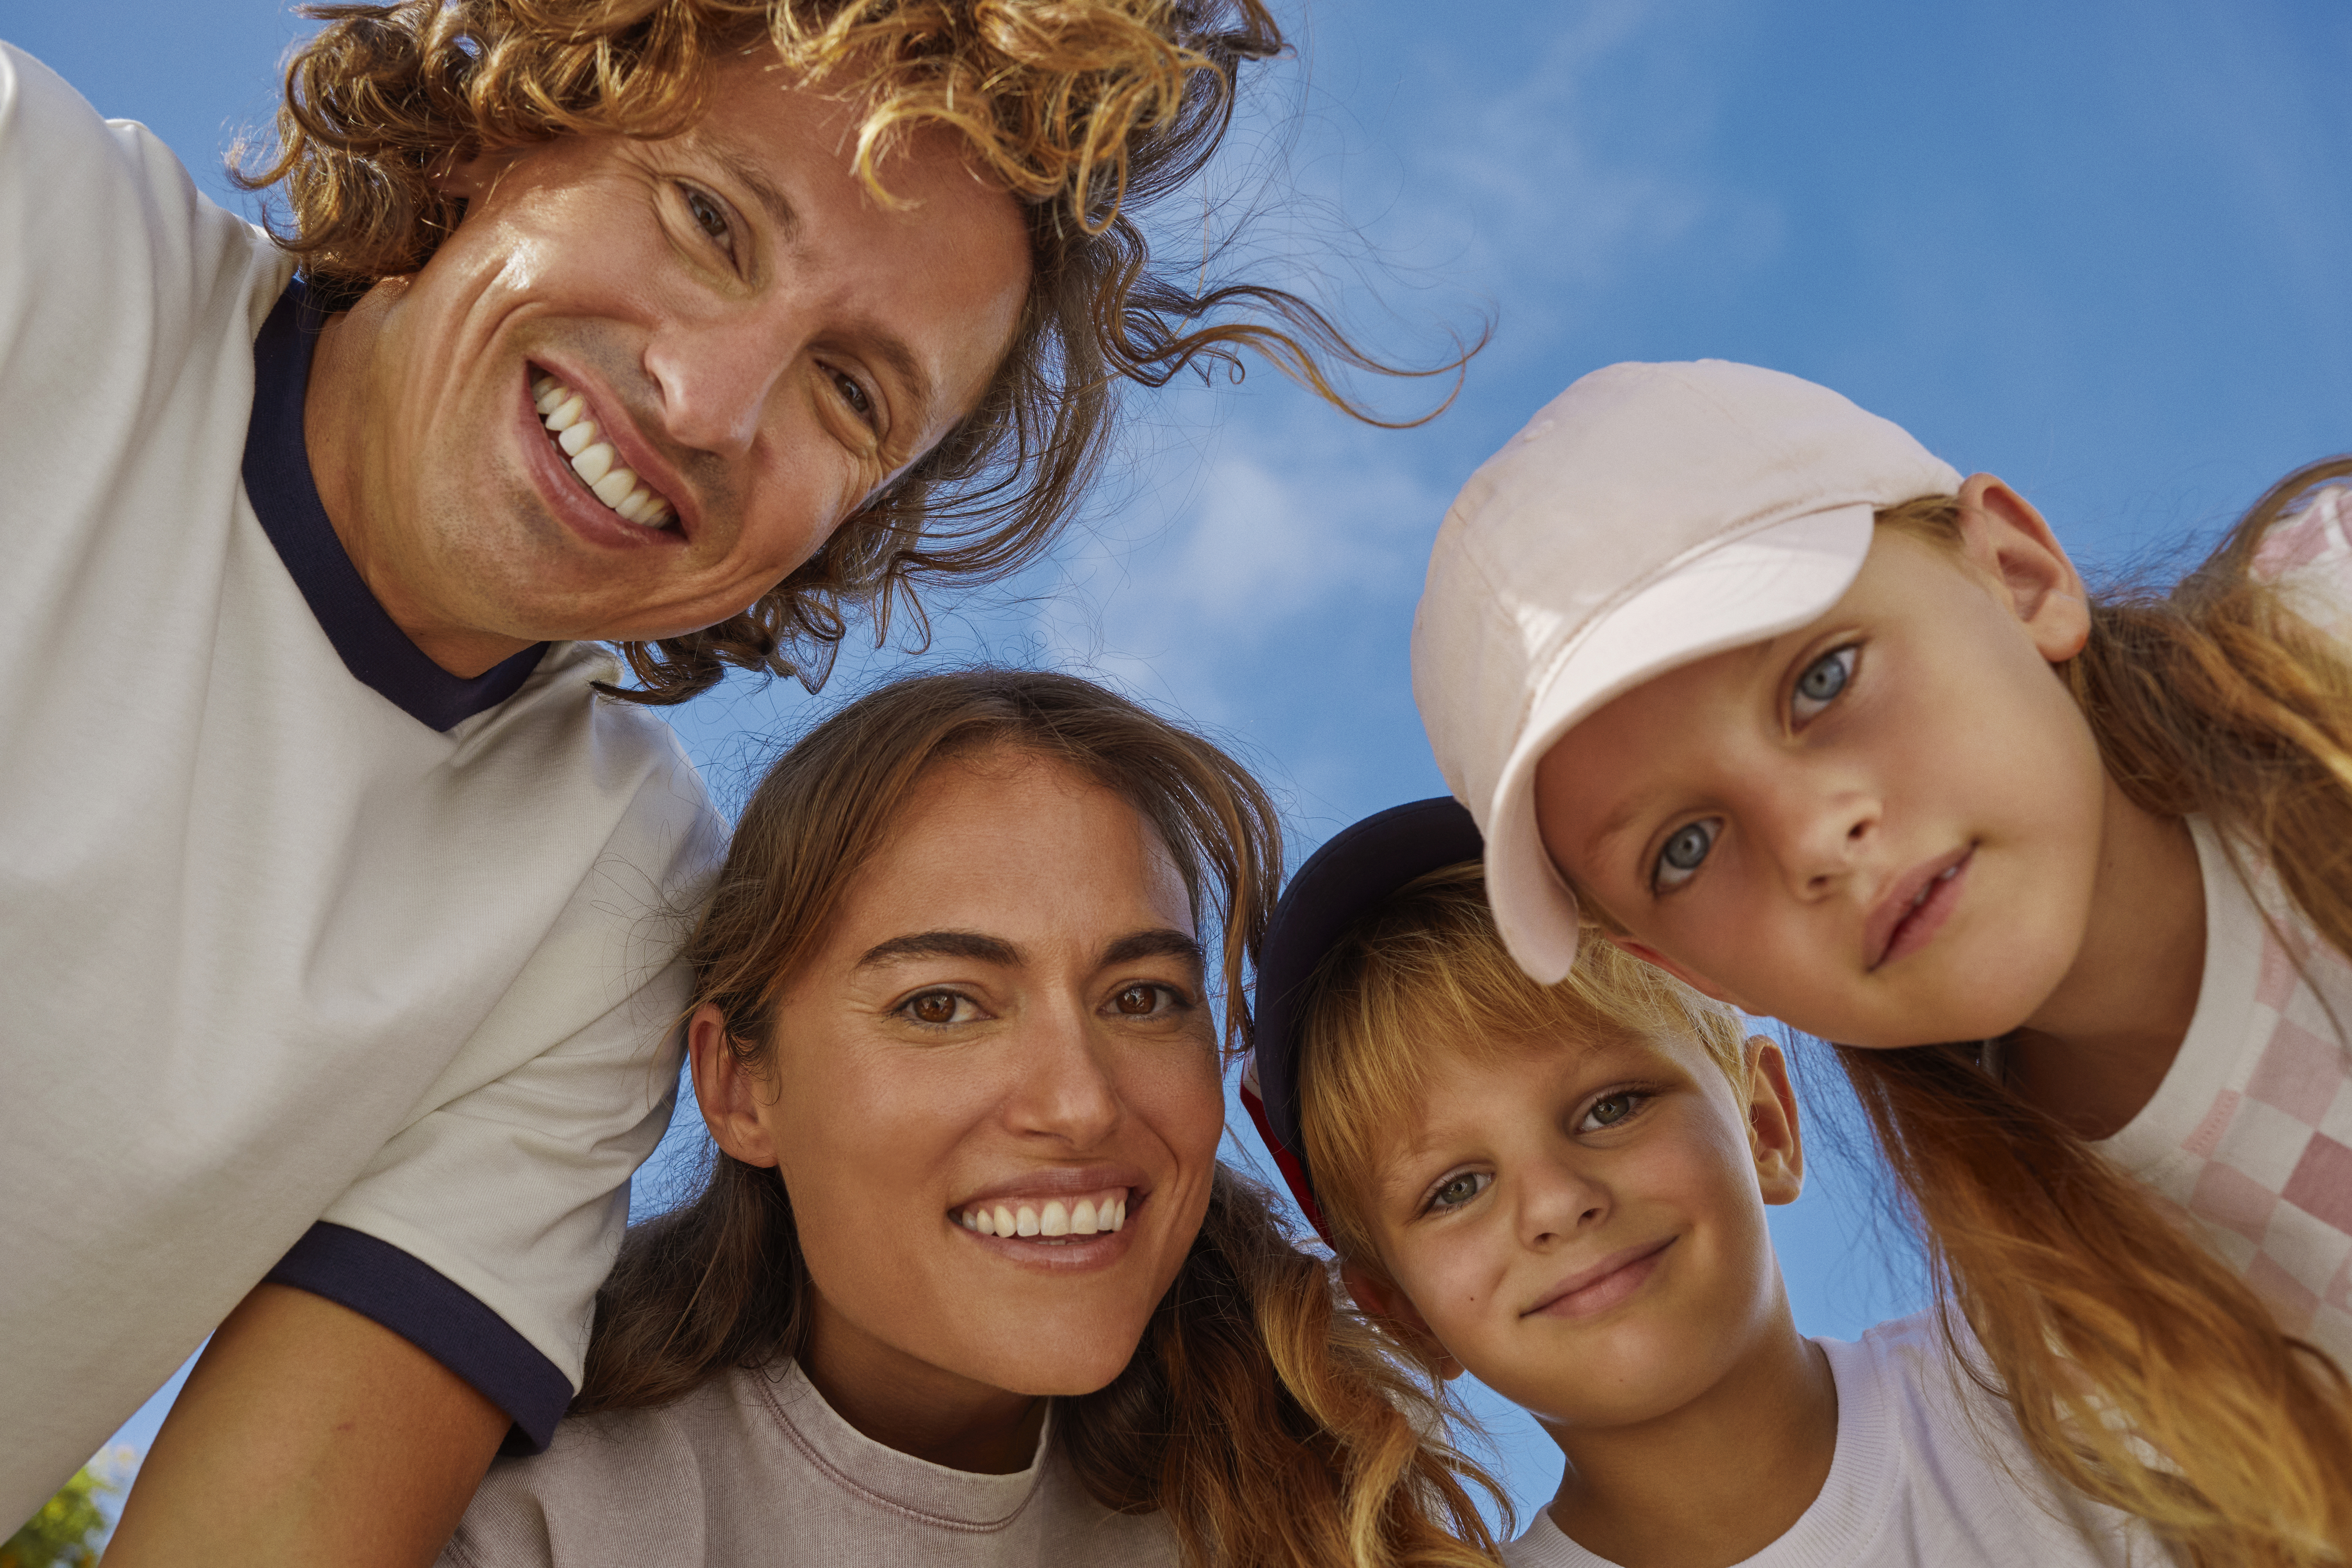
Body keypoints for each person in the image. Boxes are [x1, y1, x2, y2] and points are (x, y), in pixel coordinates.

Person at [0, 1, 1435, 1555]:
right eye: (706, 218)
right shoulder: (37, 227)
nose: (709, 398)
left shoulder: (597, 904)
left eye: (853, 392)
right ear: (515, 115)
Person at [1406, 360, 2352, 1563]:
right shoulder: (2072, 1363)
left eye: (1825, 679)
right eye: (1687, 847)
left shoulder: (2334, 627)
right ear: (1689, 969)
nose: (1812, 840)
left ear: (2019, 574)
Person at [439, 668, 1503, 1568]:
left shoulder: (1323, 1500)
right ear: (737, 1088)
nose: (1080, 1104)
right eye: (940, 1006)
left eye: (1142, 999)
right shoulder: (518, 1522)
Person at [1244, 798, 2163, 1568]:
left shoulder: (2066, 1393)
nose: (1561, 1202)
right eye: (1455, 1189)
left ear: (1766, 1126)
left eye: (1614, 1107)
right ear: (1401, 1314)